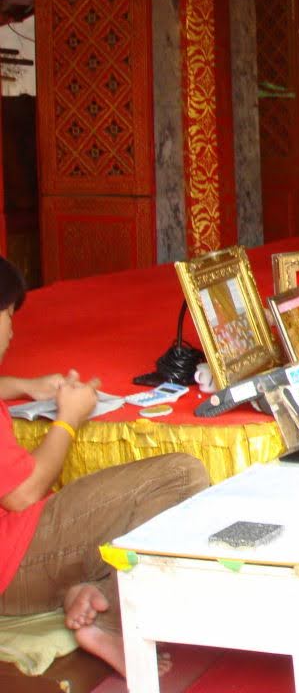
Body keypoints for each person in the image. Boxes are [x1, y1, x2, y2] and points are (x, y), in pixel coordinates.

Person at [0, 256, 209, 678]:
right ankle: (110, 616)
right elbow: (21, 493)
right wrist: (68, 419)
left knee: (120, 509)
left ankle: (89, 593)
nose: (11, 330)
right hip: (11, 564)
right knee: (181, 476)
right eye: (7, 316)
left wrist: (25, 385)